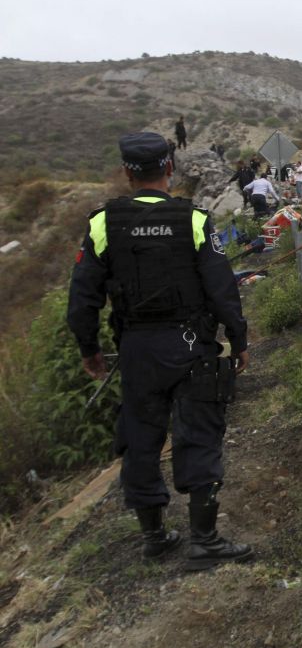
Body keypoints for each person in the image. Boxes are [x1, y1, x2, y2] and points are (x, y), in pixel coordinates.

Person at [67, 132, 252, 571]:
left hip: (137, 349)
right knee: (199, 433)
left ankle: (154, 536)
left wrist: (90, 350)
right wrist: (239, 340)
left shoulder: (102, 223)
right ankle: (204, 540)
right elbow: (222, 289)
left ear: (127, 172)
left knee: (139, 437)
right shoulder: (194, 220)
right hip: (191, 346)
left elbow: (82, 299)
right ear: (169, 167)